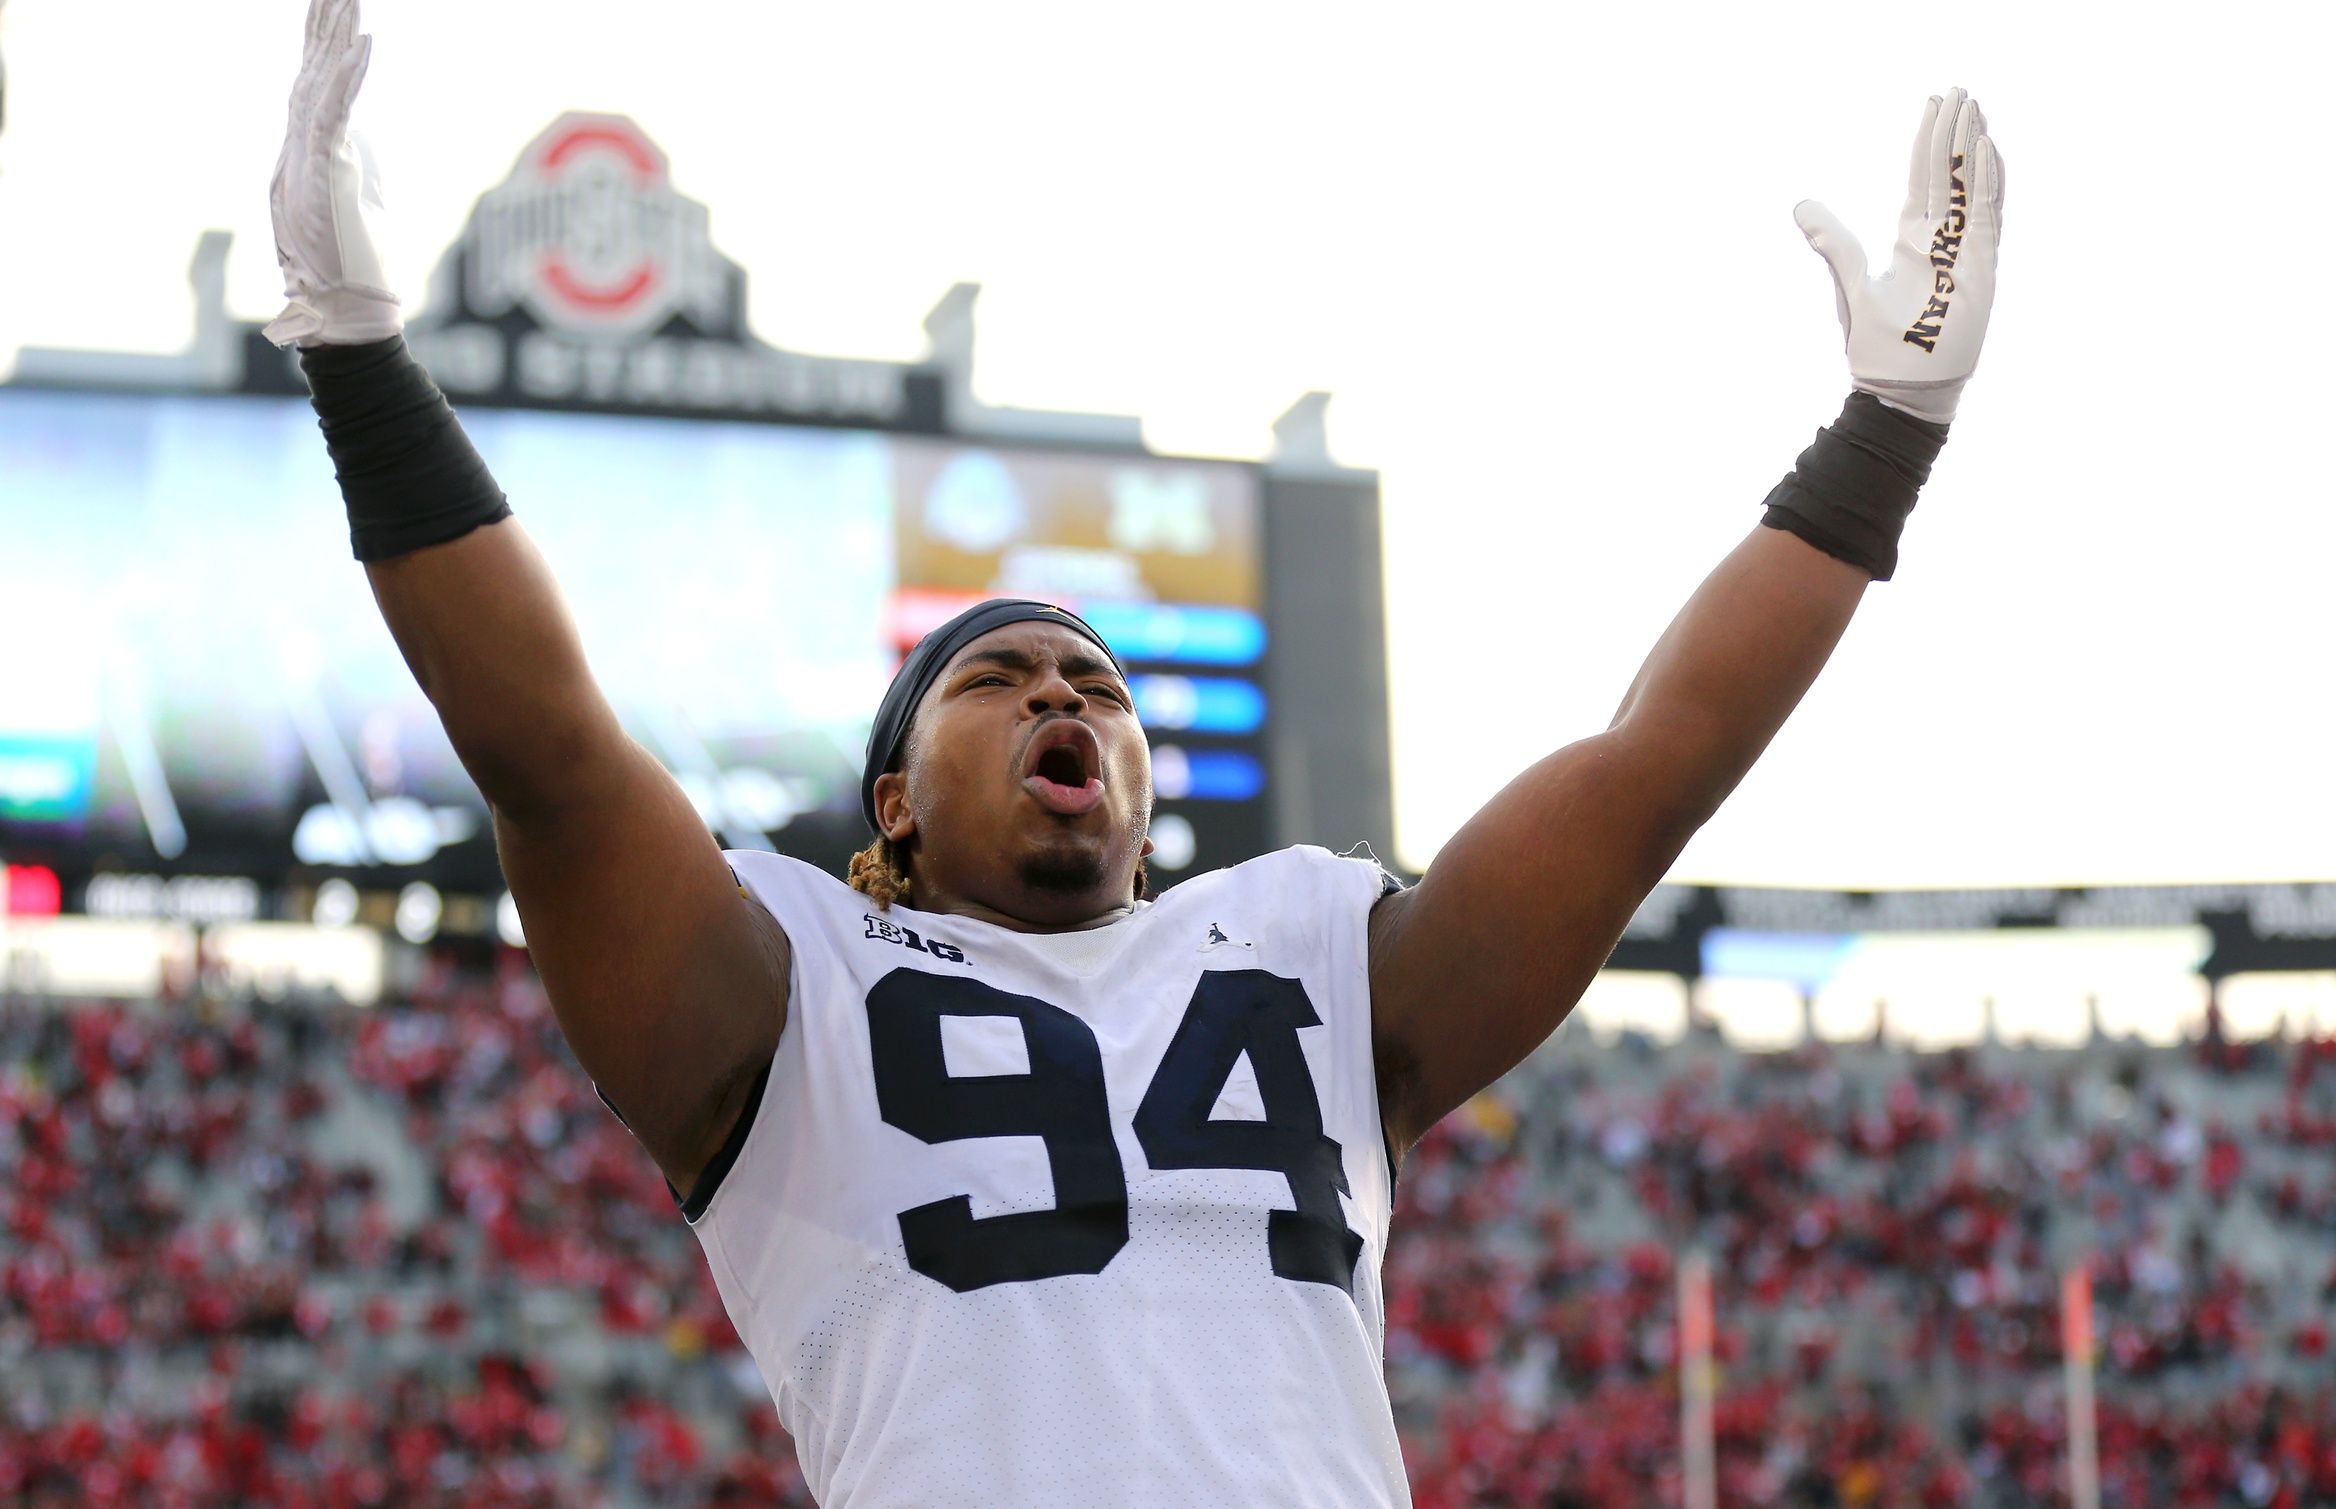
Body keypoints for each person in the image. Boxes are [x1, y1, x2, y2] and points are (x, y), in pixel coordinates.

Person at [264, 4, 2003, 1503]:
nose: (1063, 700)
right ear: (892, 799)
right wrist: (358, 360)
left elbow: (1654, 764)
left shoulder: (1313, 947)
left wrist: (1882, 439)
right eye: (1000, 679)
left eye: (1096, 685)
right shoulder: (786, 979)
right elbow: (550, 754)